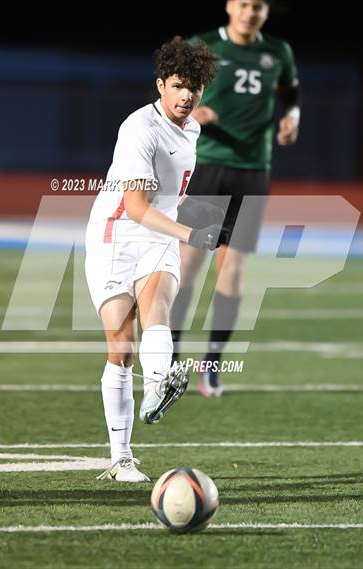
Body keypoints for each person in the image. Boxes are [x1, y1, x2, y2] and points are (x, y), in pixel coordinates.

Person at [85, 37, 224, 482]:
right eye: (180, 85)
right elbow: (138, 207)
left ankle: (159, 386)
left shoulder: (193, 128)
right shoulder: (138, 130)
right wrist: (192, 234)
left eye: (195, 87)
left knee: (158, 310)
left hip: (157, 237)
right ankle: (121, 457)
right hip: (117, 235)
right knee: (121, 345)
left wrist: (185, 225)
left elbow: (164, 203)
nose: (187, 96)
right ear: (160, 84)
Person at [172, 0, 301, 396]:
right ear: (230, 6)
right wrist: (194, 114)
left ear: (266, 11)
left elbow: (291, 91)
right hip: (208, 168)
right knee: (188, 266)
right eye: (243, 4)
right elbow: (173, 94)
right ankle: (170, 358)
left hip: (253, 170)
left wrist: (292, 117)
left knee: (234, 268)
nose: (250, 12)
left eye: (258, 6)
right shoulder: (205, 46)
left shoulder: (278, 52)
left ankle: (212, 363)